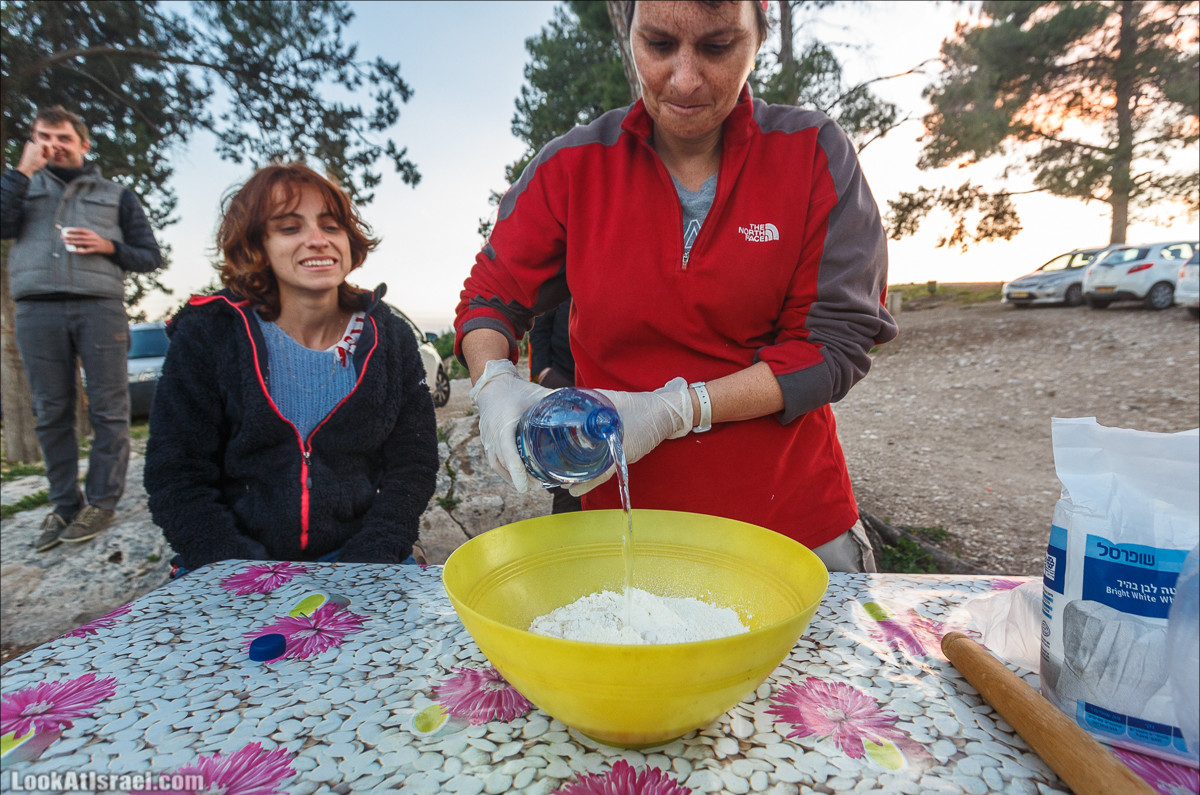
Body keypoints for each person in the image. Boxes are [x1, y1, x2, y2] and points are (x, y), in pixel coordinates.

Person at [454, 0, 897, 572]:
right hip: (623, 531)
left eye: (717, 47)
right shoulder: (573, 167)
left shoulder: (812, 152)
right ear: (630, 33)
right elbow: (491, 295)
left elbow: (834, 346)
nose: (685, 80)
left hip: (790, 526)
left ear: (759, 38)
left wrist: (677, 408)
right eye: (659, 44)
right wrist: (493, 381)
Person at [144, 163, 438, 574]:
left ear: (351, 243)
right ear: (257, 246)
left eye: (332, 226)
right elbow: (175, 474)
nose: (317, 241)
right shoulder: (209, 332)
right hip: (229, 560)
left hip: (363, 555)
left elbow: (414, 463)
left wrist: (372, 556)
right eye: (289, 228)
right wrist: (237, 568)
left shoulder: (390, 336)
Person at [0, 106, 163, 552]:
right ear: (33, 141)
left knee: (109, 408)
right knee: (50, 410)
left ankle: (102, 501)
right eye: (42, 137)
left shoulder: (116, 195)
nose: (52, 145)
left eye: (62, 138)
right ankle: (63, 505)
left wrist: (109, 245)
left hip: (99, 307)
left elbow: (150, 256)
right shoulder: (19, 185)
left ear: (83, 144)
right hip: (35, 309)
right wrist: (19, 173)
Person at [527, 297, 584, 514]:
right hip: (562, 380)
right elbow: (539, 324)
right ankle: (567, 541)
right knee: (568, 472)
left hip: (610, 386)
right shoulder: (564, 272)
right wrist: (542, 373)